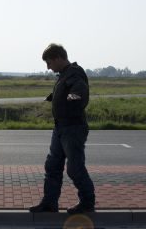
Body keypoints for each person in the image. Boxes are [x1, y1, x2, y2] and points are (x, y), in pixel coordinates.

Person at [29, 43, 96, 214]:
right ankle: (49, 203)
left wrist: (69, 98)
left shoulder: (74, 73)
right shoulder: (65, 74)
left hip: (73, 128)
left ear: (58, 58)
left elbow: (79, 93)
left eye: (49, 62)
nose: (48, 67)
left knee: (74, 168)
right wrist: (55, 97)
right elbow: (68, 90)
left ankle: (87, 203)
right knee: (52, 166)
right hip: (60, 127)